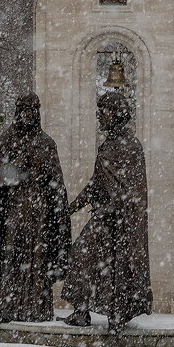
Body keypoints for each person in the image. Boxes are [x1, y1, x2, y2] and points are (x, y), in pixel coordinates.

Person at [62, 90, 152, 330]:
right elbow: (96, 184)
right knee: (81, 255)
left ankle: (117, 320)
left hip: (122, 220)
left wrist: (117, 209)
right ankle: (81, 311)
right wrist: (71, 207)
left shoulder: (130, 146)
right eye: (99, 110)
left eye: (105, 111)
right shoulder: (108, 145)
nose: (100, 116)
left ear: (117, 114)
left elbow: (133, 190)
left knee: (118, 269)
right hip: (105, 216)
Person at [0, 93, 71, 323]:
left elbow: (56, 184)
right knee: (11, 256)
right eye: (24, 109)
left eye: (33, 110)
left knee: (38, 258)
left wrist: (56, 211)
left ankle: (36, 308)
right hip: (14, 210)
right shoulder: (6, 141)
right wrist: (18, 170)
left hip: (40, 213)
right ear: (17, 112)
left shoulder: (46, 143)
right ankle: (7, 306)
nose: (28, 114)